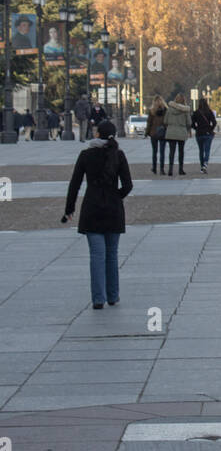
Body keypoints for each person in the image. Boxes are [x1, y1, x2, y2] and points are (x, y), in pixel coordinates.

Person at [63, 119, 133, 309]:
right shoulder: (118, 154)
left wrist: (69, 208)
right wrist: (115, 196)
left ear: (97, 134)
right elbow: (128, 185)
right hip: (113, 209)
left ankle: (98, 299)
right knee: (112, 254)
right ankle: (113, 295)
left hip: (92, 208)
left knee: (96, 255)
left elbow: (75, 184)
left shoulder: (86, 155)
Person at [164, 93, 192, 175]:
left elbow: (165, 121)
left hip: (171, 132)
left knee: (171, 152)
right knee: (181, 152)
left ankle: (170, 169)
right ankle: (180, 169)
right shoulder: (185, 111)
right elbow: (189, 122)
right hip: (181, 132)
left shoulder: (169, 109)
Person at [191, 96, 217, 172]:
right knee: (207, 150)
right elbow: (214, 122)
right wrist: (210, 129)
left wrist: (196, 128)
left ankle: (202, 165)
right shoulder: (209, 112)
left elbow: (192, 124)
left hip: (199, 133)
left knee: (201, 150)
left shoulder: (196, 112)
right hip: (208, 133)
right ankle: (205, 164)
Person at [146, 94, 167, 173]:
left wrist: (147, 133)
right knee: (162, 152)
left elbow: (149, 123)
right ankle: (162, 169)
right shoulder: (165, 110)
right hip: (162, 133)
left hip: (153, 133)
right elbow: (167, 122)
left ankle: (154, 168)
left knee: (154, 152)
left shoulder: (152, 111)